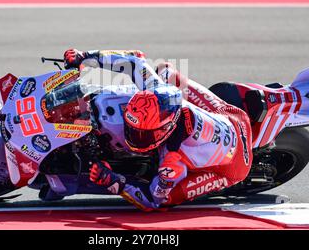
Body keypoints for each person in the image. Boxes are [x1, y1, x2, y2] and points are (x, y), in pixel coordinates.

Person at [63, 49, 253, 211]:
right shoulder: (157, 89)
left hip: (233, 164)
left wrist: (115, 182)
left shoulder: (172, 161)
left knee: (167, 200)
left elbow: (152, 200)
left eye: (143, 134)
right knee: (164, 70)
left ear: (166, 128)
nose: (134, 137)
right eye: (132, 129)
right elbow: (134, 59)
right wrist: (87, 56)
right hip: (230, 116)